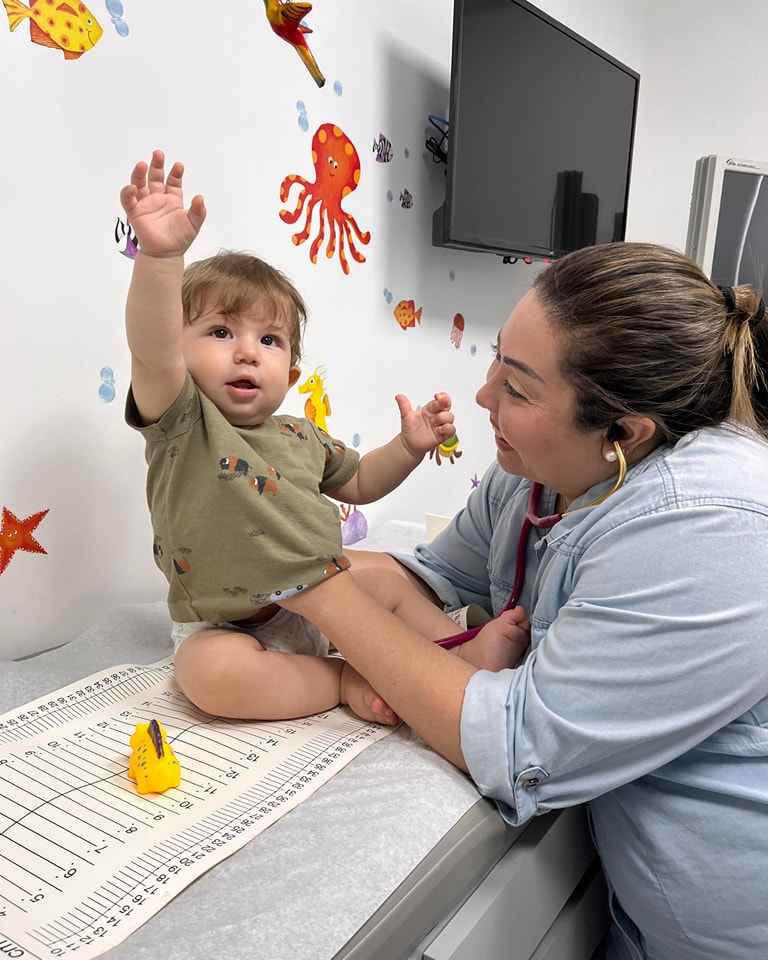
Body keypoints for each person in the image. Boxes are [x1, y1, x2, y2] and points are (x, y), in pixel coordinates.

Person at [277, 241, 768, 960]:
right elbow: (433, 578)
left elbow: (517, 745)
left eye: (518, 387)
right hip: (632, 908)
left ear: (623, 434)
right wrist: (268, 564)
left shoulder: (718, 526)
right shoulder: (541, 466)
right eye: (496, 359)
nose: (482, 398)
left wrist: (315, 588)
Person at [119, 150, 529, 727]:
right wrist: (160, 258)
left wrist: (408, 448)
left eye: (269, 340)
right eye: (219, 331)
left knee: (387, 578)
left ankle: (460, 652)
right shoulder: (182, 420)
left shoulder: (300, 434)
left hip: (320, 598)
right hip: (230, 624)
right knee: (209, 677)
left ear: (289, 378)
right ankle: (340, 679)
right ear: (180, 360)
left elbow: (360, 481)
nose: (245, 351)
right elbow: (151, 347)